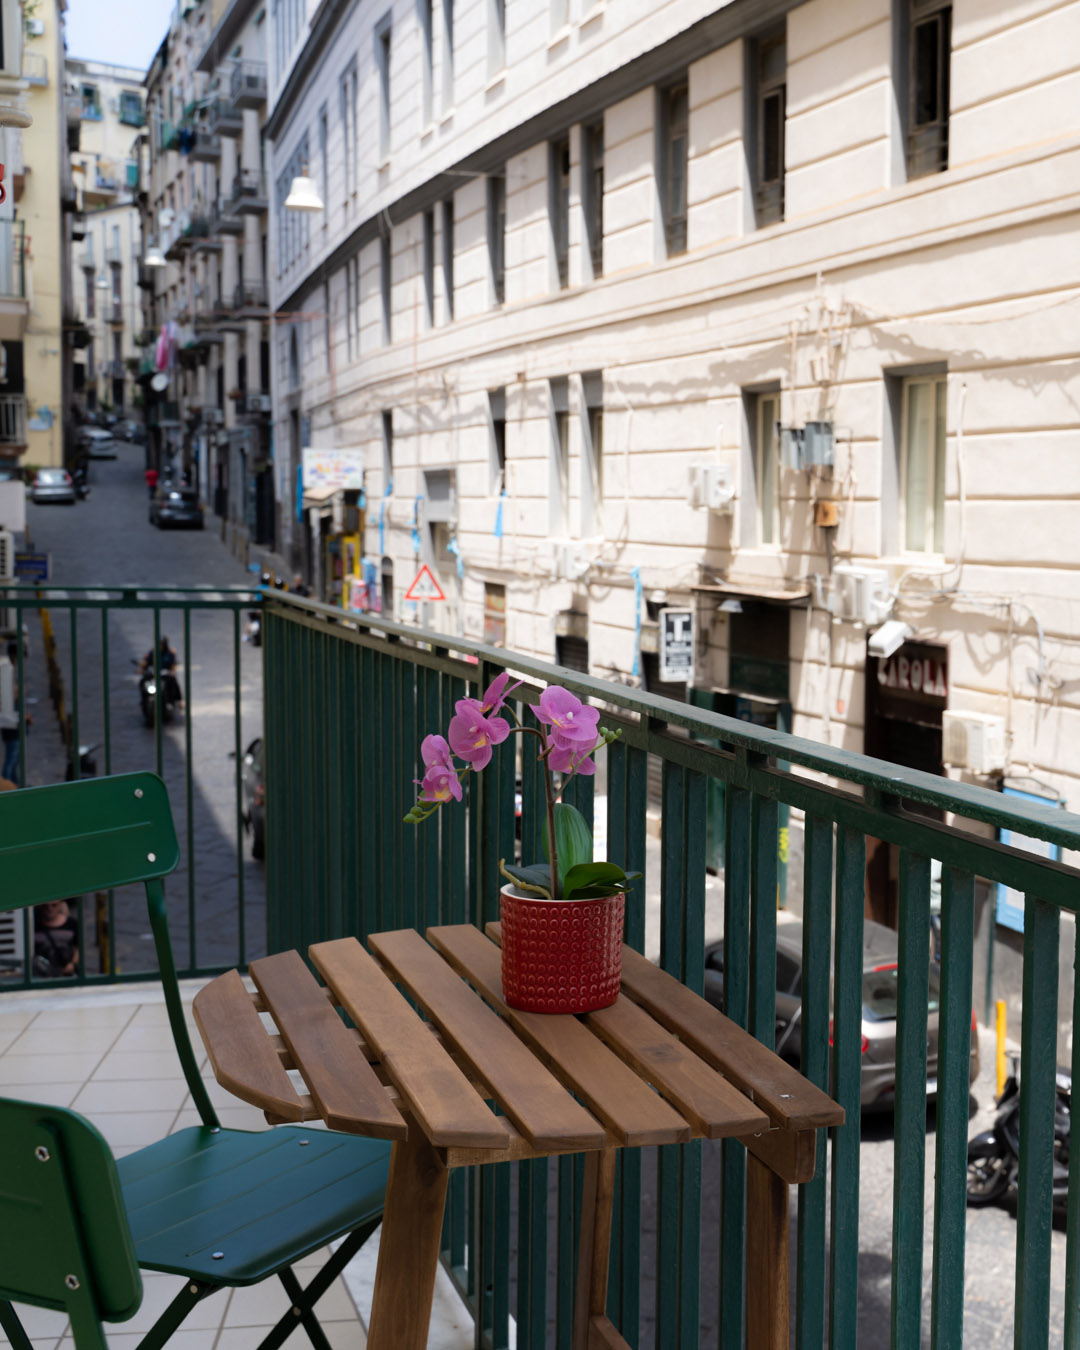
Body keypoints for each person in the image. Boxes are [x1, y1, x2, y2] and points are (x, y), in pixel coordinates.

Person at [1, 640, 31, 787]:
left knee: (15, 758)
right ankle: (7, 785)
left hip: (15, 722)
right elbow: (8, 700)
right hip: (11, 725)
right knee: (12, 757)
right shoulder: (7, 671)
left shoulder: (10, 670)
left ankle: (15, 784)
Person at [33, 899, 79, 977]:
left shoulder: (72, 924)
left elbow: (78, 947)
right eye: (45, 906)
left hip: (67, 975)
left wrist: (72, 964)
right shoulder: (34, 926)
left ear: (60, 904)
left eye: (54, 905)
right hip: (41, 976)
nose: (50, 909)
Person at [139, 636, 183, 706]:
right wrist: (141, 668)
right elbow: (145, 661)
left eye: (161, 644)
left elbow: (174, 664)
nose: (160, 646)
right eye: (158, 644)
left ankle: (178, 700)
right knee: (142, 681)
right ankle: (144, 700)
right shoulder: (152, 652)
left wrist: (172, 671)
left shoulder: (170, 653)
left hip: (165, 674)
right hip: (154, 673)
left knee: (173, 681)